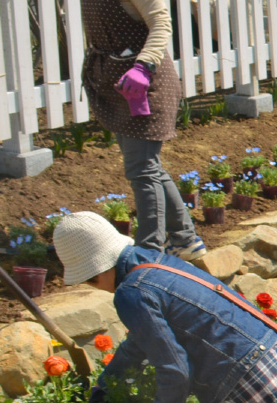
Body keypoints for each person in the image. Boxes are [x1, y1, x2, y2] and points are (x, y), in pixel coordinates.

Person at [53, 211, 277, 403]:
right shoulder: (155, 261)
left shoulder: (130, 292)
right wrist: (106, 384)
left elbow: (175, 369)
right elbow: (140, 342)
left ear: (93, 273)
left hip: (256, 385)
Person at [81, 0, 206, 260]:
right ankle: (184, 239)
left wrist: (143, 66)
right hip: (119, 84)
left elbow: (160, 23)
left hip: (147, 85)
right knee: (148, 166)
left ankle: (149, 251)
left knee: (142, 168)